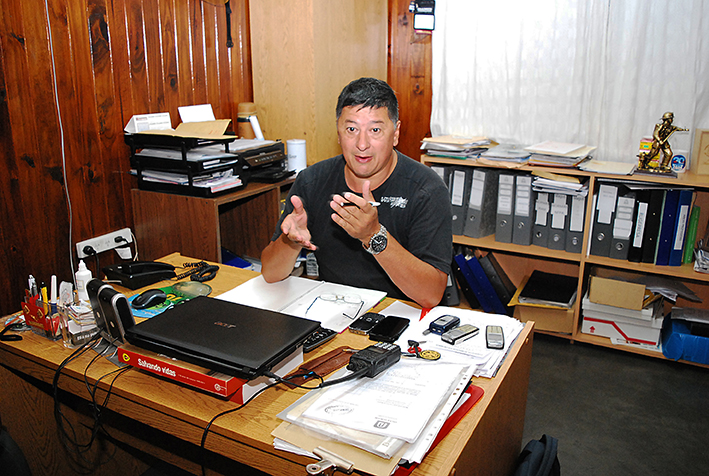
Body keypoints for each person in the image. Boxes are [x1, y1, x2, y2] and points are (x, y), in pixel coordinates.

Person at [261, 77, 452, 308]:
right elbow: (270, 274)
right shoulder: (312, 181)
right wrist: (290, 241)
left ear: (396, 133)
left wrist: (373, 235)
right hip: (332, 308)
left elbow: (431, 294)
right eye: (351, 129)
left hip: (400, 316)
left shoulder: (426, 189)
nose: (362, 144)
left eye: (375, 130)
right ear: (338, 133)